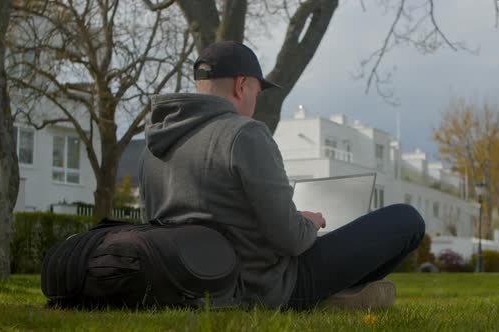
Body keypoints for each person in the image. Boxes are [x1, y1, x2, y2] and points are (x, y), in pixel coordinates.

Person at [138, 41, 425, 310]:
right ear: (241, 86)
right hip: (267, 287)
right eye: (256, 92)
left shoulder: (154, 146)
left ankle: (342, 294)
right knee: (407, 220)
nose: (255, 101)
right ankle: (334, 295)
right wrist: (308, 222)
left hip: (193, 286)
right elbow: (291, 240)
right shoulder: (244, 134)